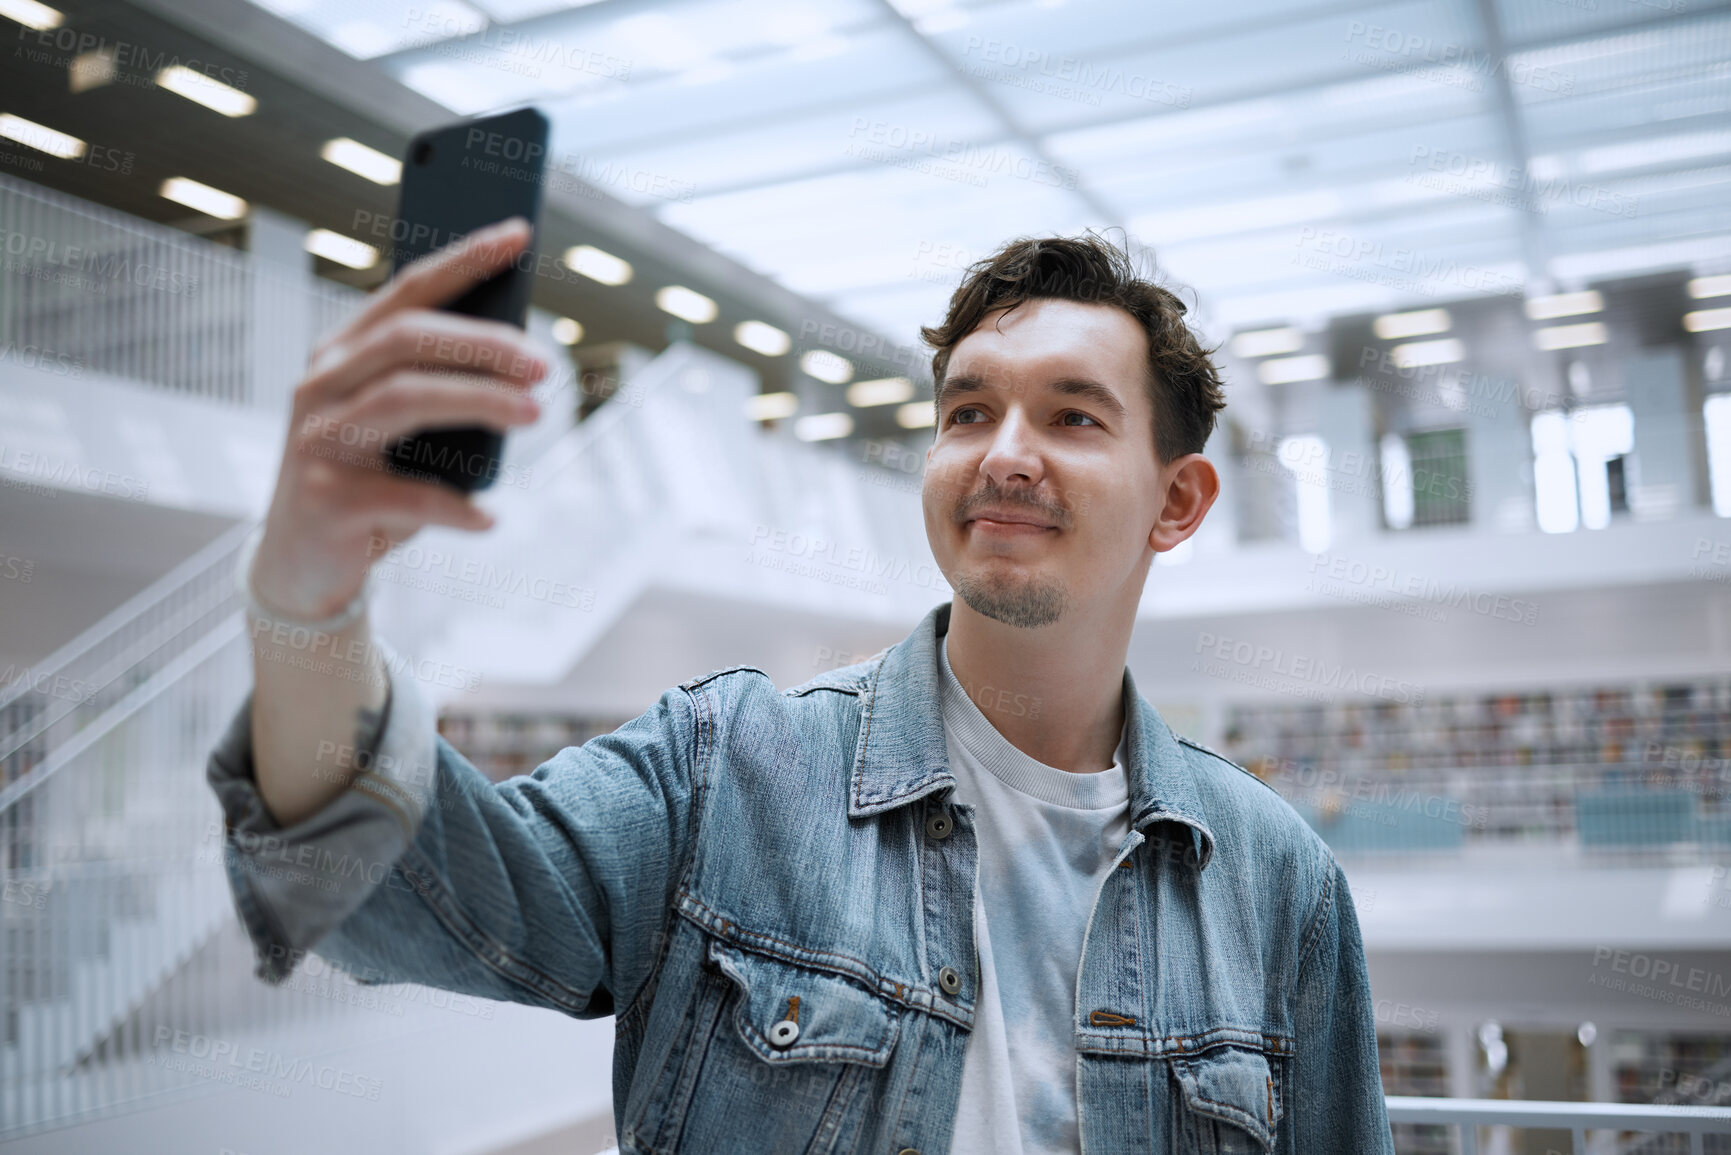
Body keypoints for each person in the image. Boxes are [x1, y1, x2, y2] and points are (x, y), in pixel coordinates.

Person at [207, 219, 1394, 1154]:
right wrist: (306, 603)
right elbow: (397, 896)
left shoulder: (1276, 883)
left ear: (1177, 501)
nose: (1003, 453)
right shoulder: (727, 768)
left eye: (1072, 416)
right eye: (967, 410)